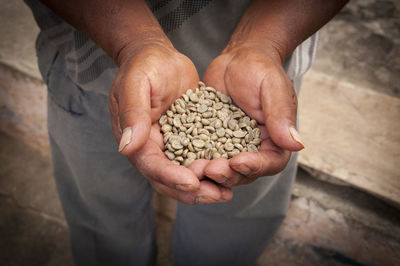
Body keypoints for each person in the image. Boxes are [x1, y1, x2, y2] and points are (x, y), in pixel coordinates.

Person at [25, 0, 348, 265]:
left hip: (259, 93)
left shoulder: (250, 116)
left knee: (230, 229)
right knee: (103, 218)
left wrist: (263, 43)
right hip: (97, 67)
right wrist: (134, 43)